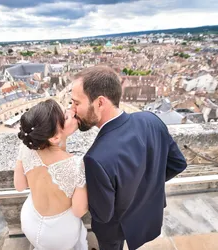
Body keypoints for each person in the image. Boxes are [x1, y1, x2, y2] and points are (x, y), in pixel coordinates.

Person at [70, 66, 187, 250]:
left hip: (114, 230)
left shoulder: (95, 158)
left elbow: (103, 215)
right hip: (146, 213)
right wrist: (146, 186)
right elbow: (178, 163)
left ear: (100, 102)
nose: (72, 110)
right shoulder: (151, 120)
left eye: (76, 103)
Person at [14, 99, 88, 250]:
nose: (70, 112)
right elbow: (79, 210)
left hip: (30, 220)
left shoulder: (27, 148)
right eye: (64, 116)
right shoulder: (76, 164)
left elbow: (20, 186)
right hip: (59, 233)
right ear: (54, 138)